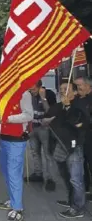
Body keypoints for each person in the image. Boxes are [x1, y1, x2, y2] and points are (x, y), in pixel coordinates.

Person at [43, 82, 87, 218]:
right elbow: (47, 115)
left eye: (66, 89)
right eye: (61, 89)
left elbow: (77, 123)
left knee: (76, 179)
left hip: (74, 148)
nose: (63, 91)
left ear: (74, 92)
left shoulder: (78, 105)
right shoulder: (58, 106)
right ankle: (71, 201)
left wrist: (68, 106)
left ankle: (78, 208)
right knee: (66, 177)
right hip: (59, 147)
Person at [0, 91, 34, 221]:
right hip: (2, 137)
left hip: (16, 139)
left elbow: (28, 115)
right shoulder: (3, 93)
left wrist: (7, 119)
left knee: (14, 173)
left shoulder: (24, 93)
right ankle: (12, 200)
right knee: (6, 172)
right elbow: (1, 112)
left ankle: (18, 208)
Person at [25, 80, 57, 191]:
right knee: (34, 152)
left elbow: (51, 112)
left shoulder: (49, 94)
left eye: (33, 89)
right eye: (30, 89)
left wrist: (43, 98)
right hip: (33, 127)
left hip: (45, 128)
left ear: (40, 87)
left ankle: (50, 179)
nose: (32, 91)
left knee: (48, 154)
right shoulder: (28, 95)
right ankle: (38, 173)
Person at [74, 76, 92, 200]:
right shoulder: (77, 99)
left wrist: (82, 124)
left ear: (87, 86)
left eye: (79, 85)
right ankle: (85, 189)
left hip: (89, 135)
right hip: (80, 137)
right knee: (82, 164)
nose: (77, 88)